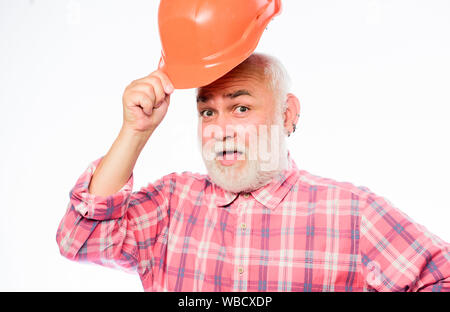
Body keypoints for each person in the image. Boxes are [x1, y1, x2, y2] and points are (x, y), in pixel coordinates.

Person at [56, 53, 449, 292]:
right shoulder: (173, 201)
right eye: (208, 112)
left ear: (287, 114)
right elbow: (81, 240)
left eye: (241, 108)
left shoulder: (353, 212)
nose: (220, 128)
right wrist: (135, 131)